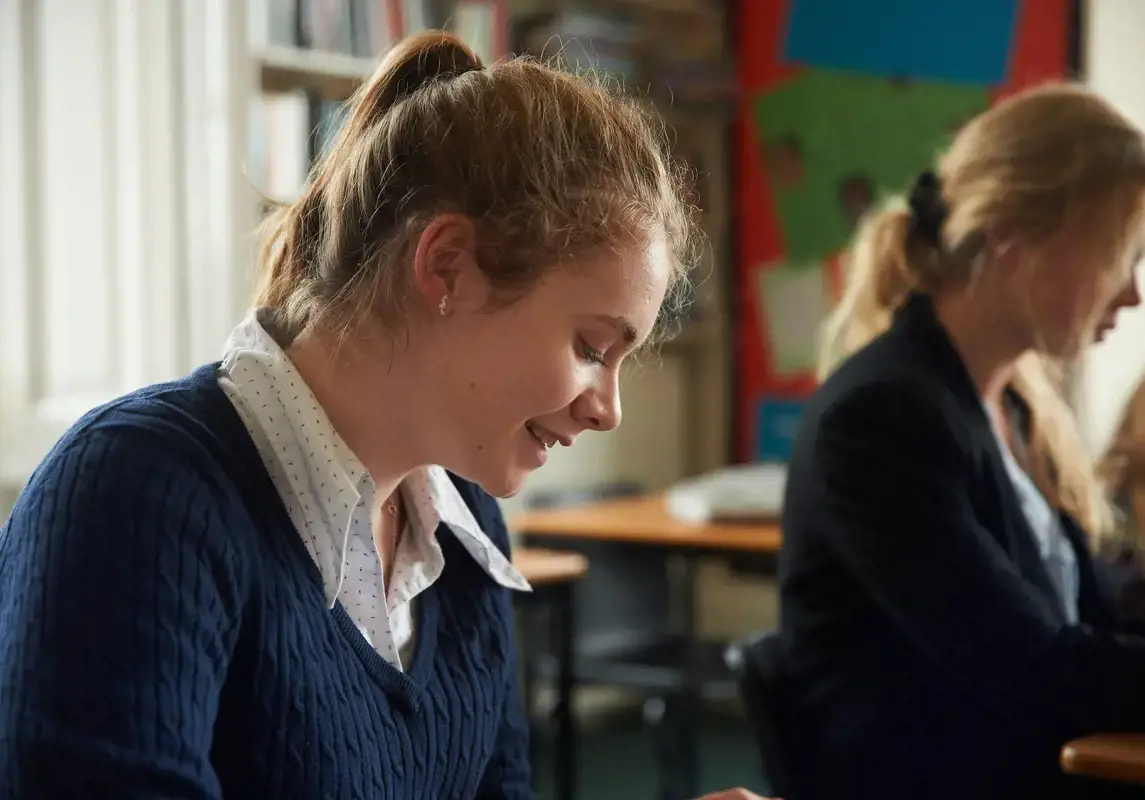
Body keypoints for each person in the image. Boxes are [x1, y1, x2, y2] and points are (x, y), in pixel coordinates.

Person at [0, 30, 721, 799]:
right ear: (445, 265)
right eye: (589, 346)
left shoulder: (462, 525)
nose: (606, 409)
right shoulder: (135, 496)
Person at [777, 82, 1145, 800]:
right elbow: (1037, 670)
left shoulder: (1005, 402)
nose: (1132, 292)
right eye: (1119, 253)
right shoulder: (882, 418)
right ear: (1011, 240)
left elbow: (1095, 600)